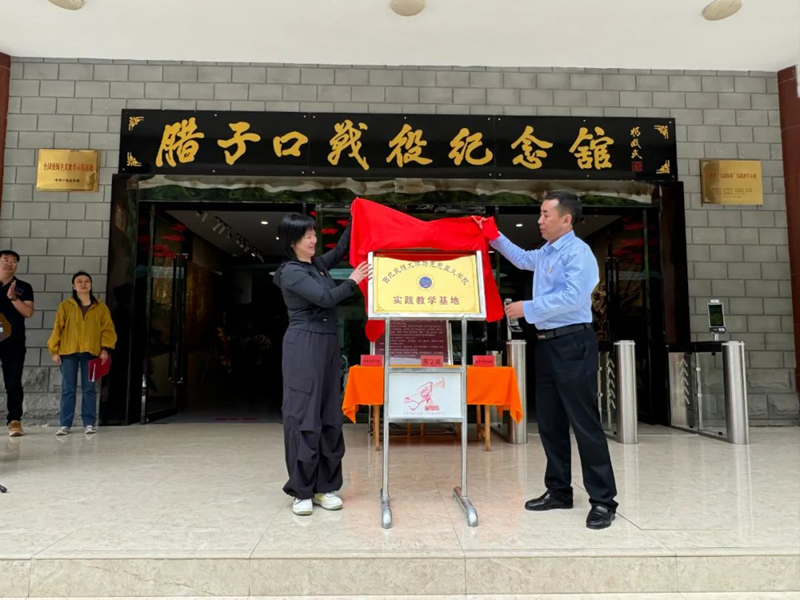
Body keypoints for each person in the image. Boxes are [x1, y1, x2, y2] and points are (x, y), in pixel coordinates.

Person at [477, 190, 618, 529]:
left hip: (573, 342)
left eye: (545, 215)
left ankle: (603, 500)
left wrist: (527, 308)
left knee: (584, 423)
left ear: (566, 219)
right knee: (550, 423)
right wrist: (493, 236)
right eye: (539, 214)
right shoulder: (546, 252)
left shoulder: (578, 253)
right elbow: (522, 259)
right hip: (547, 344)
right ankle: (558, 490)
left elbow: (573, 297)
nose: (539, 221)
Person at [273, 214, 369, 516]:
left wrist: (356, 217)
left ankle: (325, 488)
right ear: (293, 241)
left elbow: (340, 249)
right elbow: (326, 298)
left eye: (314, 234)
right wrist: (353, 281)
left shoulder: (316, 265)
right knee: (304, 417)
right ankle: (301, 491)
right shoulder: (291, 271)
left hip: (327, 345)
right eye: (307, 236)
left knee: (329, 415)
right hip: (303, 345)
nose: (314, 239)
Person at [47, 272, 117, 436]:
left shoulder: (100, 307)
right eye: (79, 281)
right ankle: (65, 424)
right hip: (68, 352)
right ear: (73, 286)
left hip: (91, 353)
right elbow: (58, 327)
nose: (83, 284)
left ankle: (89, 423)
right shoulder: (65, 306)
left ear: (91, 285)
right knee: (68, 388)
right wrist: (54, 350)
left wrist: (105, 348)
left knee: (89, 388)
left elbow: (107, 329)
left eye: (87, 281)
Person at [0, 250, 35, 437]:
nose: (9, 263)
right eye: (5, 260)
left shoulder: (23, 287)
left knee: (13, 381)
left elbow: (28, 312)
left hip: (13, 341)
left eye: (14, 261)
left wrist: (13, 297)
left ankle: (14, 420)